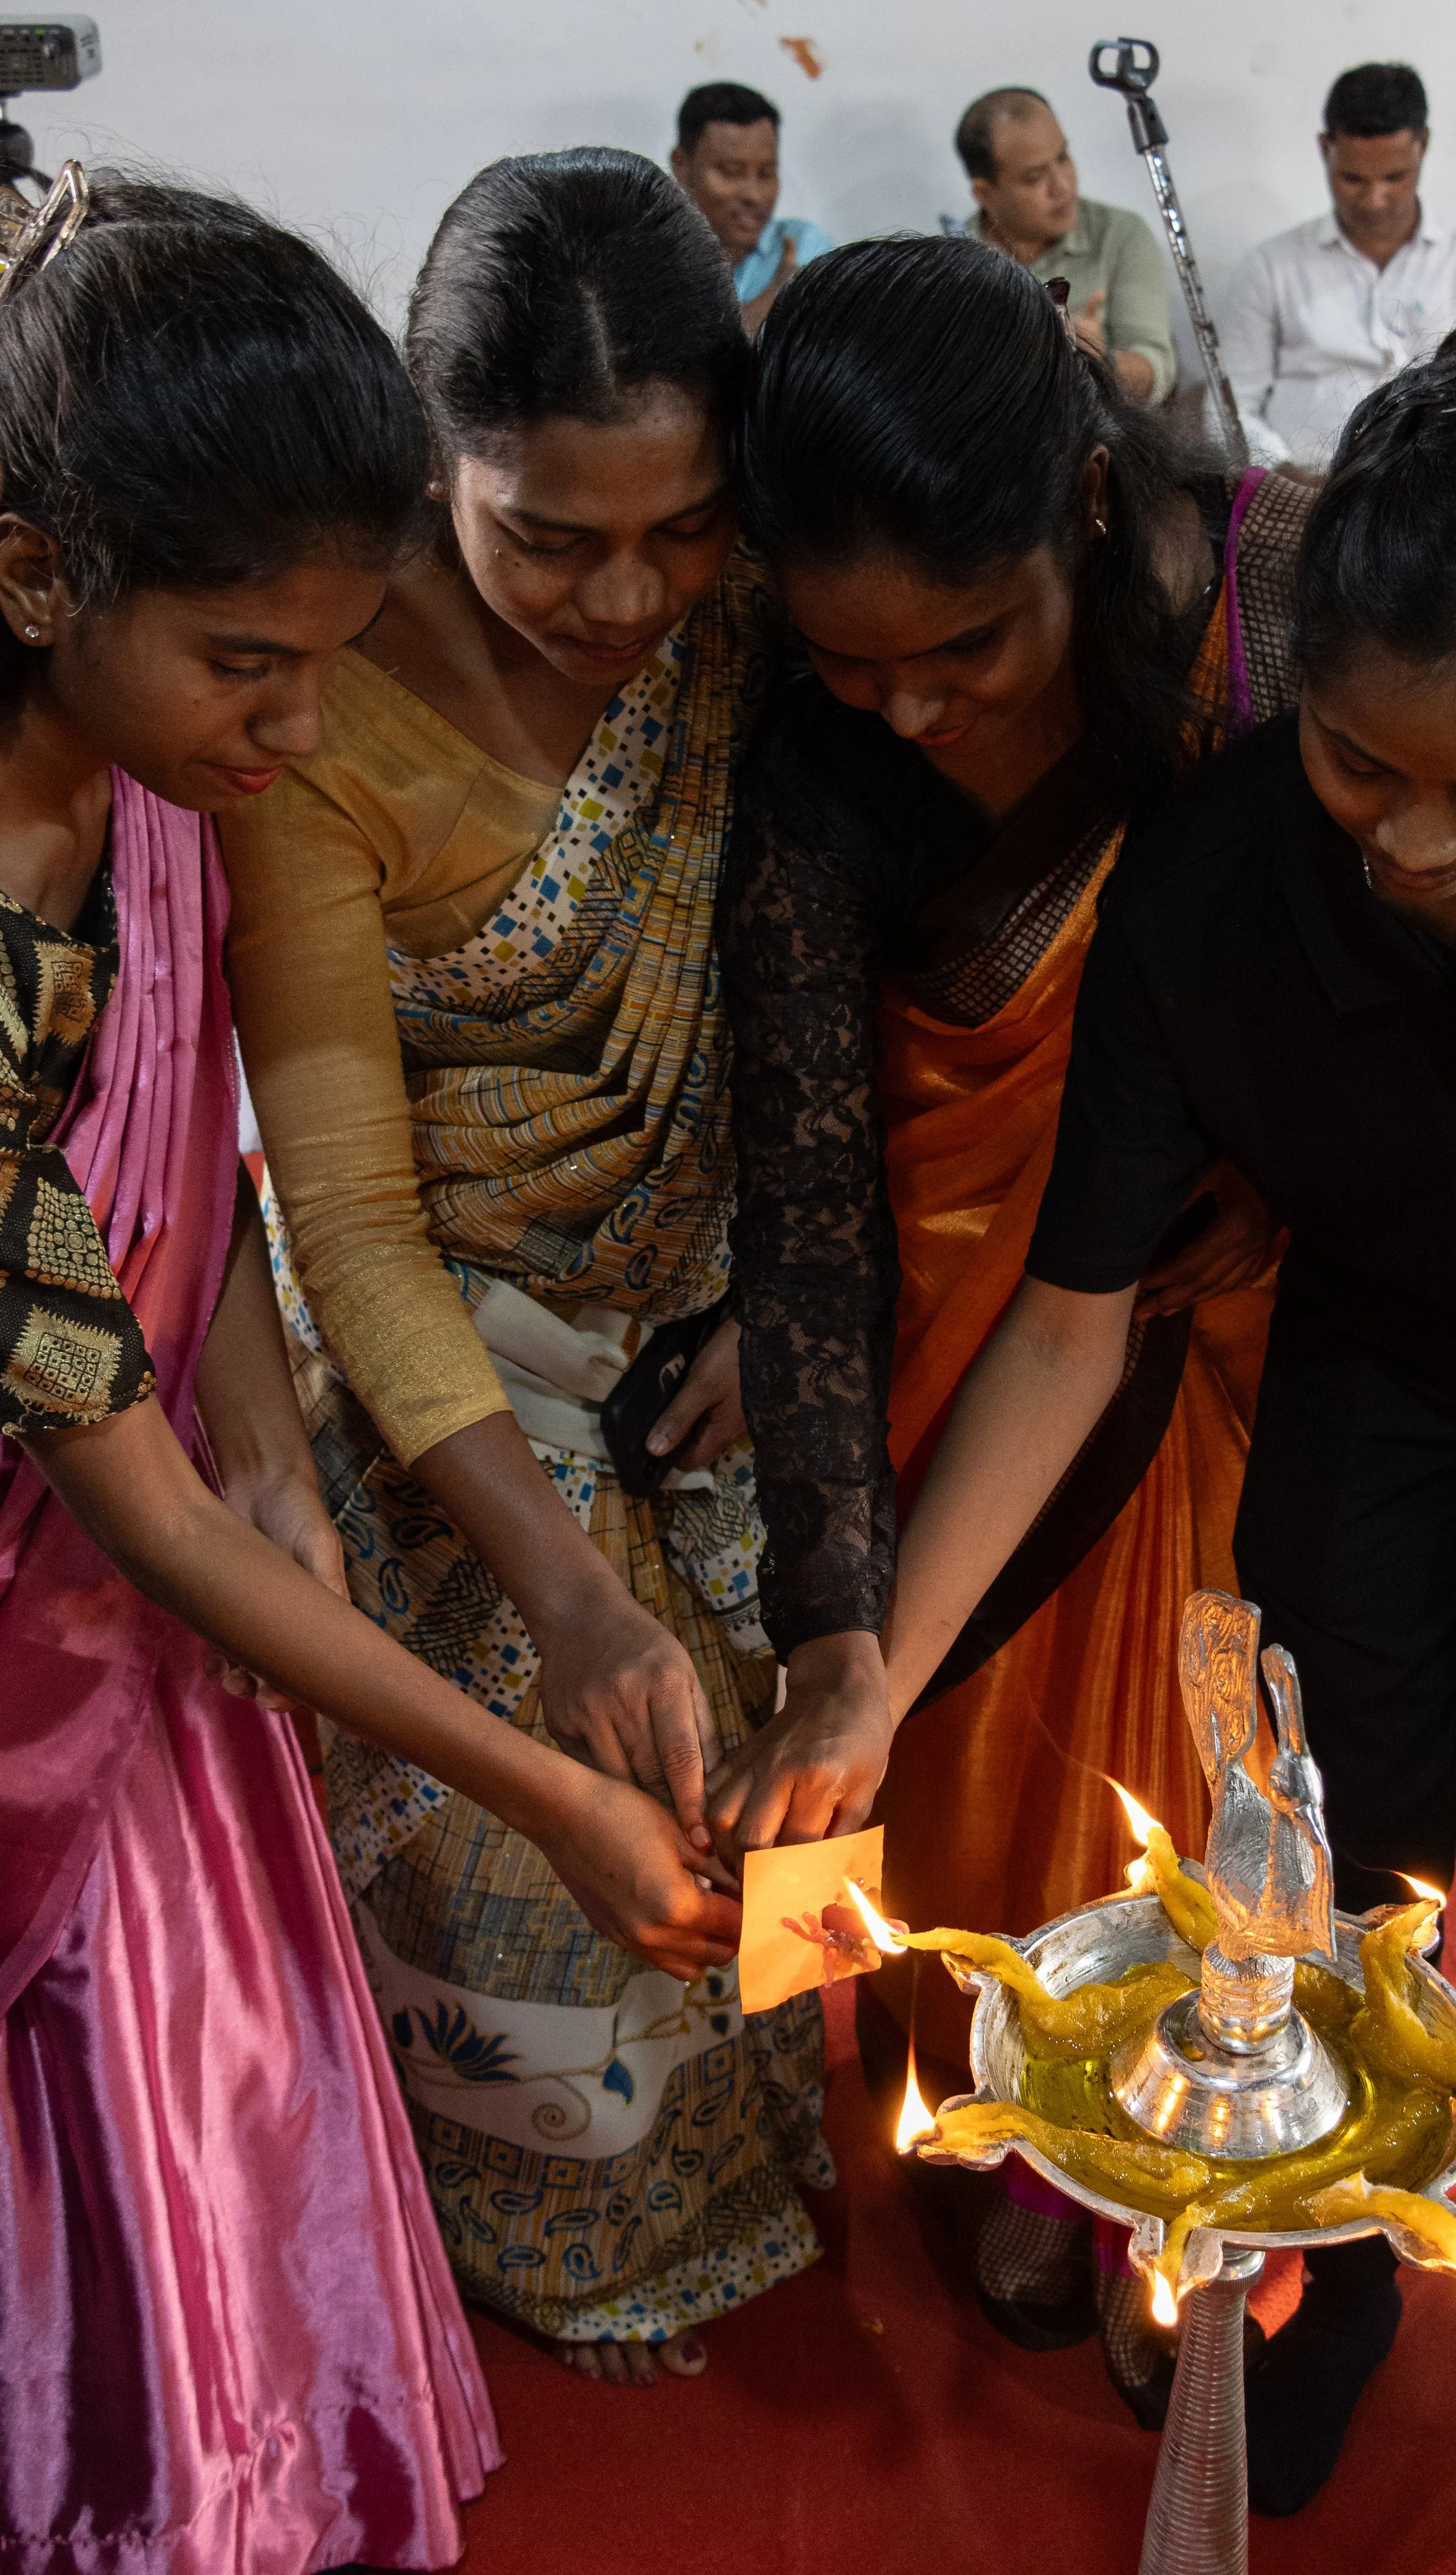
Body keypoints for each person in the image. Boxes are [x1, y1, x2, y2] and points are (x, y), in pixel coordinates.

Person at [880, 295, 1456, 2510]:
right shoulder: (1216, 884)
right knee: (1329, 1827)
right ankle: (1342, 2265)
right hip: (1381, 1338)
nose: (1418, 843)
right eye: (1365, 767)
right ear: (1300, 689)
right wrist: (880, 1673)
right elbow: (1066, 1323)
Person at [0, 168, 742, 2574]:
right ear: (37, 578)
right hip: (76, 1573)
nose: (302, 730)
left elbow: (168, 1171)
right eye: (254, 665)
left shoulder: (152, 764)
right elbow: (142, 1489)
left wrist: (252, 1420)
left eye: (329, 663)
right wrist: (540, 1771)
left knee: (203, 2077)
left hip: (175, 1517)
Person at [220, 147, 830, 2390]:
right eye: (550, 535)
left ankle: (760, 2181)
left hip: (713, 1363)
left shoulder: (746, 621)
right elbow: (346, 1216)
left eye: (684, 527)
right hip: (459, 1408)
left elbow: (809, 1003)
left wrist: (785, 1306)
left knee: (761, 1829)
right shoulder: (314, 706)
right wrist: (557, 1586)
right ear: (427, 458)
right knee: (534, 1900)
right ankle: (536, 2260)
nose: (627, 596)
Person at [706, 233, 1302, 2423]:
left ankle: (1205, 2155)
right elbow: (804, 1208)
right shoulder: (807, 758)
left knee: (1226, 1747)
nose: (912, 707)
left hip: (1251, 1321)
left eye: (965, 644)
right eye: (851, 662)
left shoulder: (1257, 614)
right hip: (964, 1316)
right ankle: (1029, 2133)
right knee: (956, 1747)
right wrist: (835, 1622)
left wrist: (1281, 1186)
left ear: (1081, 504)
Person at [1223, 62, 1456, 468]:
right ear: (1324, 149)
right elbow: (1230, 410)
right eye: (1353, 179)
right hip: (1301, 485)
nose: (1375, 200)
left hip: (1438, 487)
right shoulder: (1270, 268)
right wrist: (1283, 474)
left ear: (1423, 145)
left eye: (1395, 178)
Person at [956, 87, 1175, 407]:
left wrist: (1099, 363)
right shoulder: (955, 267)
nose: (1062, 186)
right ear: (985, 194)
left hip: (1100, 430)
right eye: (1035, 178)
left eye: (1063, 158)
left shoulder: (1120, 235)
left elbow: (1158, 371)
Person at [671, 80, 831, 336]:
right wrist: (777, 295)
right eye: (731, 172)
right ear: (681, 165)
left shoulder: (804, 245)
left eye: (766, 174)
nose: (754, 196)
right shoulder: (652, 256)